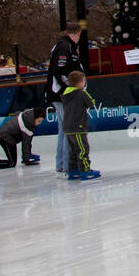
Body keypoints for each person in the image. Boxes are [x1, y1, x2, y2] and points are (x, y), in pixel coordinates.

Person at [45, 22, 82, 176]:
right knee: (67, 129)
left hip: (59, 94)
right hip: (61, 95)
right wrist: (69, 89)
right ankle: (66, 164)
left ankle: (62, 164)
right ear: (78, 33)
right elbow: (59, 71)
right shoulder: (64, 47)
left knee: (63, 130)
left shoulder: (66, 47)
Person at [0, 107, 44, 172]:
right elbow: (26, 143)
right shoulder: (27, 126)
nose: (39, 123)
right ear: (34, 118)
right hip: (6, 138)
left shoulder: (27, 115)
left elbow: (17, 114)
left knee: (14, 160)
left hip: (8, 136)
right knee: (11, 163)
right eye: (39, 121)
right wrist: (26, 160)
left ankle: (27, 155)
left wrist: (27, 155)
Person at [60, 70, 101, 181]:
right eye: (83, 81)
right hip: (78, 126)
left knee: (73, 151)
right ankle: (85, 170)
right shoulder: (81, 93)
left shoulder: (65, 94)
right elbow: (91, 103)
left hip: (68, 128)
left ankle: (73, 171)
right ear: (80, 83)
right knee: (83, 149)